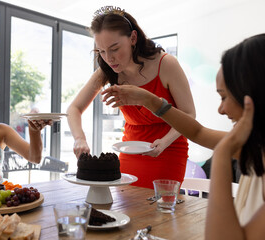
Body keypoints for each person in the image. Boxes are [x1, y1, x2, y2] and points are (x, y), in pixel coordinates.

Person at [102, 34, 265, 238]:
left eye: (224, 96)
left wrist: (222, 155)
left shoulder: (247, 149)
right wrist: (150, 100)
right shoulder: (256, 147)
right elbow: (198, 132)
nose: (221, 110)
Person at [66, 6, 195, 188]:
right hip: (130, 151)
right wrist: (79, 138)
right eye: (101, 51)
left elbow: (189, 114)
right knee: (126, 207)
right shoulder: (106, 71)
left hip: (169, 149)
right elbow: (74, 108)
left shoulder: (166, 64)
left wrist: (164, 142)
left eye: (114, 48)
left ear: (133, 38)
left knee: (160, 209)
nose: (108, 58)